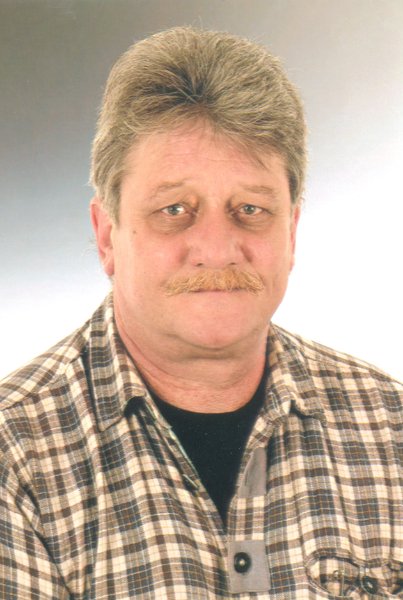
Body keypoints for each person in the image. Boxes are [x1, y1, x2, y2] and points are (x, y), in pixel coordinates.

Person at [0, 27, 401, 599]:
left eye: (250, 209)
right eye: (175, 209)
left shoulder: (390, 427)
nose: (216, 248)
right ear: (108, 235)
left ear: (290, 232)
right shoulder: (14, 457)